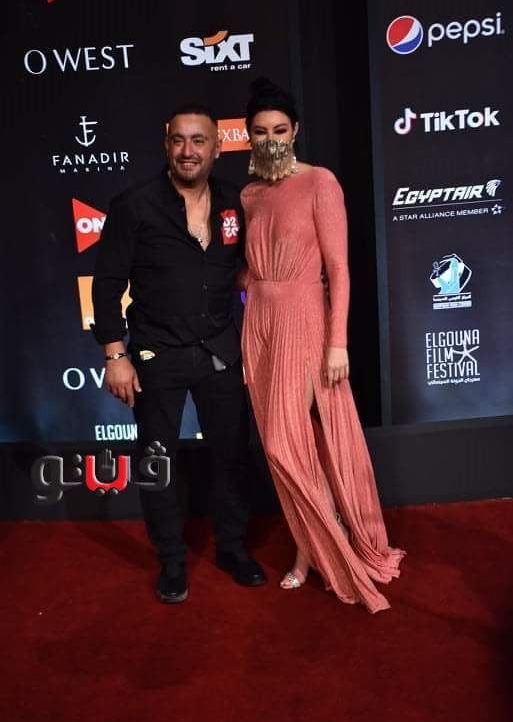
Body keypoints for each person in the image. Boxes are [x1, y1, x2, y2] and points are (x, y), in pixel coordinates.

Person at [240, 79, 404, 613]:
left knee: (283, 445)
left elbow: (339, 269)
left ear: (295, 132)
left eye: (279, 130)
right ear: (248, 135)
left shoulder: (320, 183)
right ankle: (309, 547)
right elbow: (252, 268)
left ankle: (324, 543)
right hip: (259, 322)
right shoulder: (250, 195)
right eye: (260, 131)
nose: (270, 139)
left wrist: (338, 343)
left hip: (305, 320)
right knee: (293, 445)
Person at [92, 104, 267, 604]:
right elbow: (106, 285)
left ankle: (232, 548)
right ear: (166, 144)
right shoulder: (135, 205)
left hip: (219, 349)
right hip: (156, 352)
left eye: (199, 141)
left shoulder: (234, 201)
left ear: (216, 148)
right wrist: (115, 355)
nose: (188, 151)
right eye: (179, 140)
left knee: (231, 455)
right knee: (158, 460)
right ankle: (171, 560)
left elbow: (245, 268)